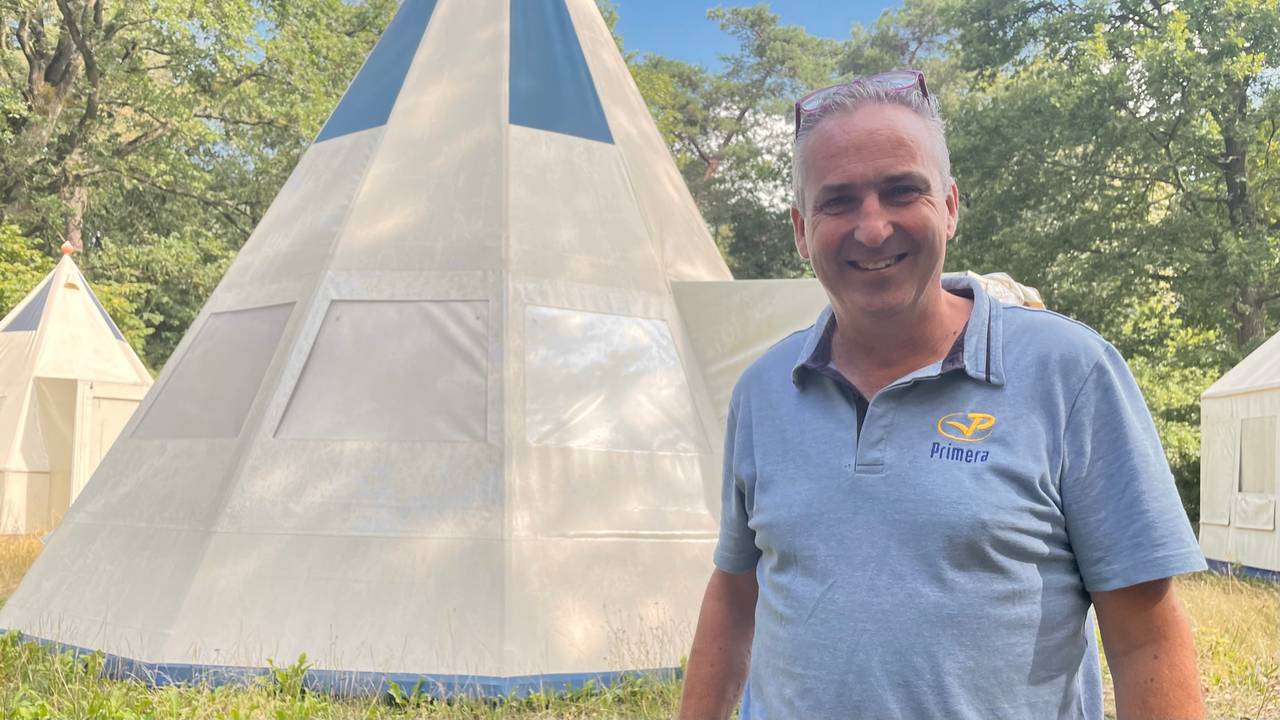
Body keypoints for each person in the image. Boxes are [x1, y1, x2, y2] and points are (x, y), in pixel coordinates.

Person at [677, 70, 1208, 719]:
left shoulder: (1070, 374)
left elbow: (1146, 639)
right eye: (837, 202)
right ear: (799, 228)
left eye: (902, 191)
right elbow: (736, 594)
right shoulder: (764, 390)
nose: (872, 229)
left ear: (951, 206)